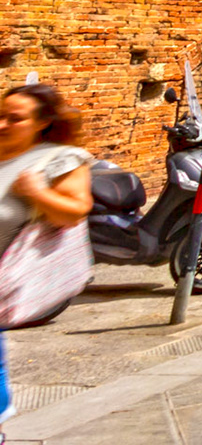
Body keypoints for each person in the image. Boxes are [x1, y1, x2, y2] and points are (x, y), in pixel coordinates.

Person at [0, 83, 93, 427]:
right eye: (0, 115)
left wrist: (37, 192)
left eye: (15, 118)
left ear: (42, 123)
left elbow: (74, 212)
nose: (3, 124)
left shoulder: (57, 159)